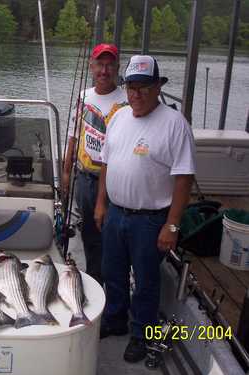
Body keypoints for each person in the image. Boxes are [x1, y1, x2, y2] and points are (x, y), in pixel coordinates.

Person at [94, 55, 196, 363]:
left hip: (150, 220)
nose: (136, 95)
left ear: (157, 88)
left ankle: (141, 334)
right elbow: (105, 164)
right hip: (115, 213)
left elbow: (184, 178)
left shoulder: (175, 124)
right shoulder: (119, 117)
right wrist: (101, 203)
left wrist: (172, 225)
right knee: (112, 272)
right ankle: (114, 318)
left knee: (146, 281)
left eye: (143, 88)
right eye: (131, 87)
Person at [62, 43, 127, 285]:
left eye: (110, 65)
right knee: (89, 232)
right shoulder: (83, 97)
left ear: (117, 68)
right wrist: (66, 172)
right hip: (84, 178)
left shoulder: (126, 101)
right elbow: (73, 134)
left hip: (113, 180)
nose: (104, 70)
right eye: (100, 64)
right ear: (92, 66)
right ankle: (94, 280)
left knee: (110, 235)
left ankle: (111, 282)